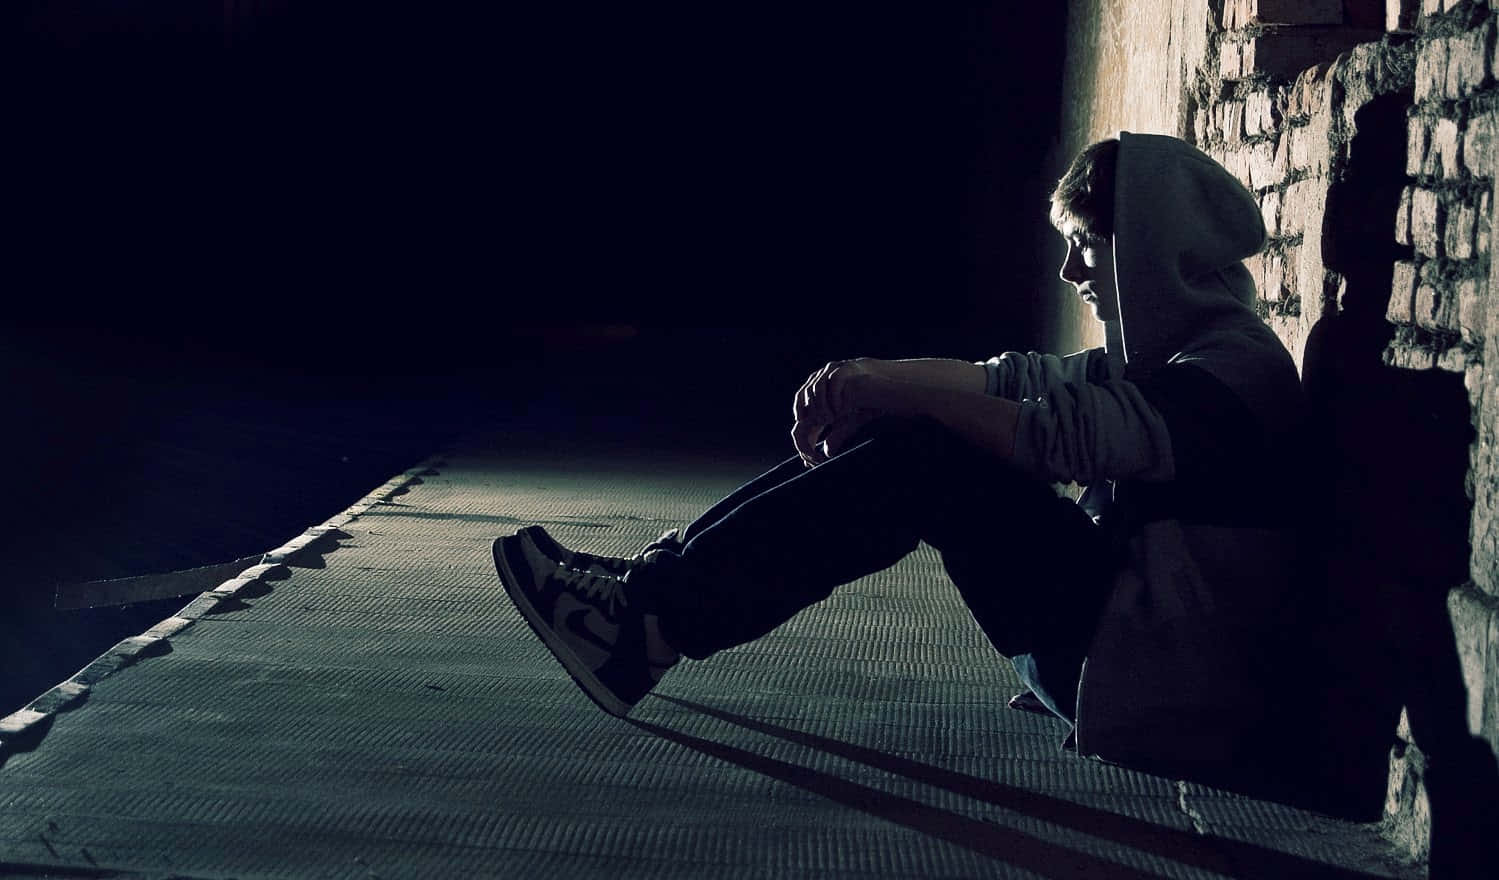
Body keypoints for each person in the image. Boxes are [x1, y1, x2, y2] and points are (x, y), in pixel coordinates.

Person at [492, 132, 1307, 774]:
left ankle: (644, 622)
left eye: (1087, 247)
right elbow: (1015, 380)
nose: (1069, 271)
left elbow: (1052, 438)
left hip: (1156, 688)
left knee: (928, 454)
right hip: (1117, 656)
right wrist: (863, 376)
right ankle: (645, 596)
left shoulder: (1228, 376)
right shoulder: (1175, 356)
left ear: (1152, 250)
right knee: (916, 429)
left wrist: (892, 392)